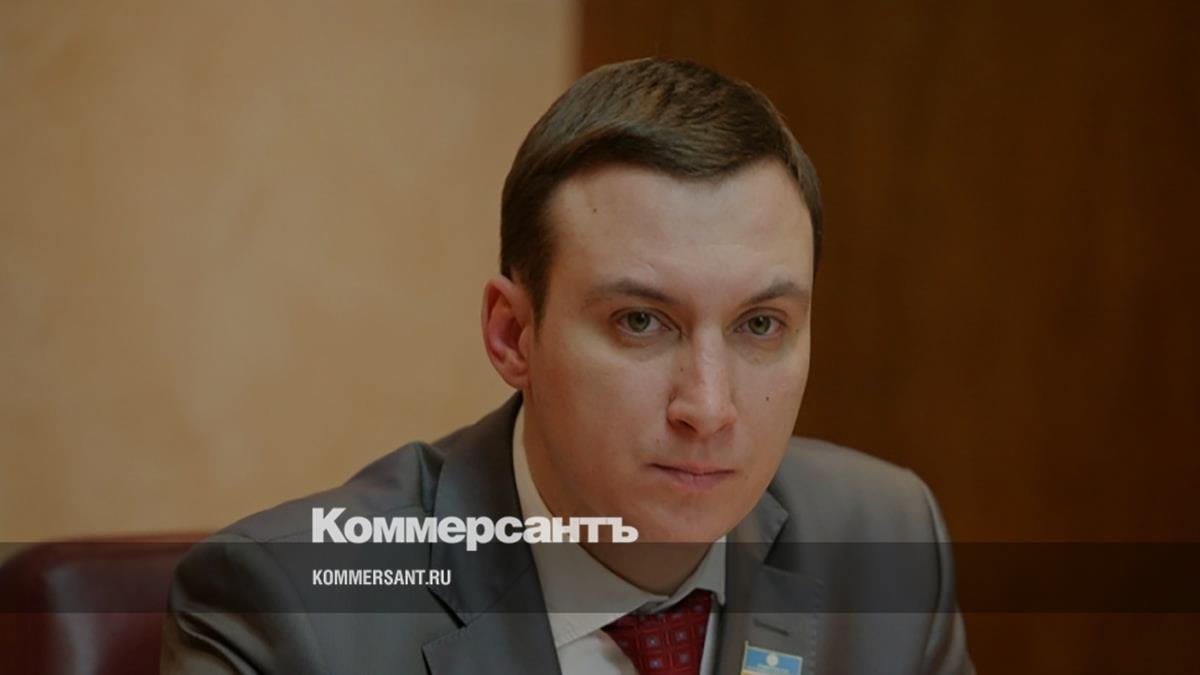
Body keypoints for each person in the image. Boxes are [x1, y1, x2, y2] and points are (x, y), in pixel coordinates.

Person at [162, 58, 973, 674]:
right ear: (513, 334)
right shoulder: (291, 611)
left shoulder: (886, 538)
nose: (708, 406)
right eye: (640, 321)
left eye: (760, 324)